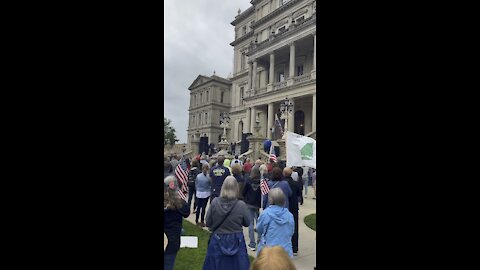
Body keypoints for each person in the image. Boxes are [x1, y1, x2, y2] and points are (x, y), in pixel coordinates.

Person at [203, 176, 251, 270]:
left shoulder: (215, 202)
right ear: (236, 188)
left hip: (218, 239)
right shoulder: (241, 205)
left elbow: (208, 222)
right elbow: (247, 222)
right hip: (236, 239)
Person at [256, 188, 295, 257]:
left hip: (268, 252)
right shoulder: (289, 215)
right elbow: (291, 232)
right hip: (285, 252)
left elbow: (259, 230)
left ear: (270, 199)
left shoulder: (265, 214)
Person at [164, 175, 190, 270]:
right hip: (173, 240)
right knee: (168, 265)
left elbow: (186, 213)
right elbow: (186, 212)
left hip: (171, 239)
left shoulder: (179, 203)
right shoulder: (180, 203)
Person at [242, 165, 262, 251]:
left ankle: (252, 244)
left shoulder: (248, 180)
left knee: (250, 224)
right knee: (259, 223)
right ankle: (259, 242)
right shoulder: (261, 182)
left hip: (249, 203)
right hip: (257, 204)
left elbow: (243, 192)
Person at [283, 167, 302, 256]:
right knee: (294, 227)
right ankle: (294, 248)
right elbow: (299, 194)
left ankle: (285, 246)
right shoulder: (295, 184)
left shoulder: (282, 183)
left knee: (283, 227)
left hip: (284, 207)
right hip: (293, 208)